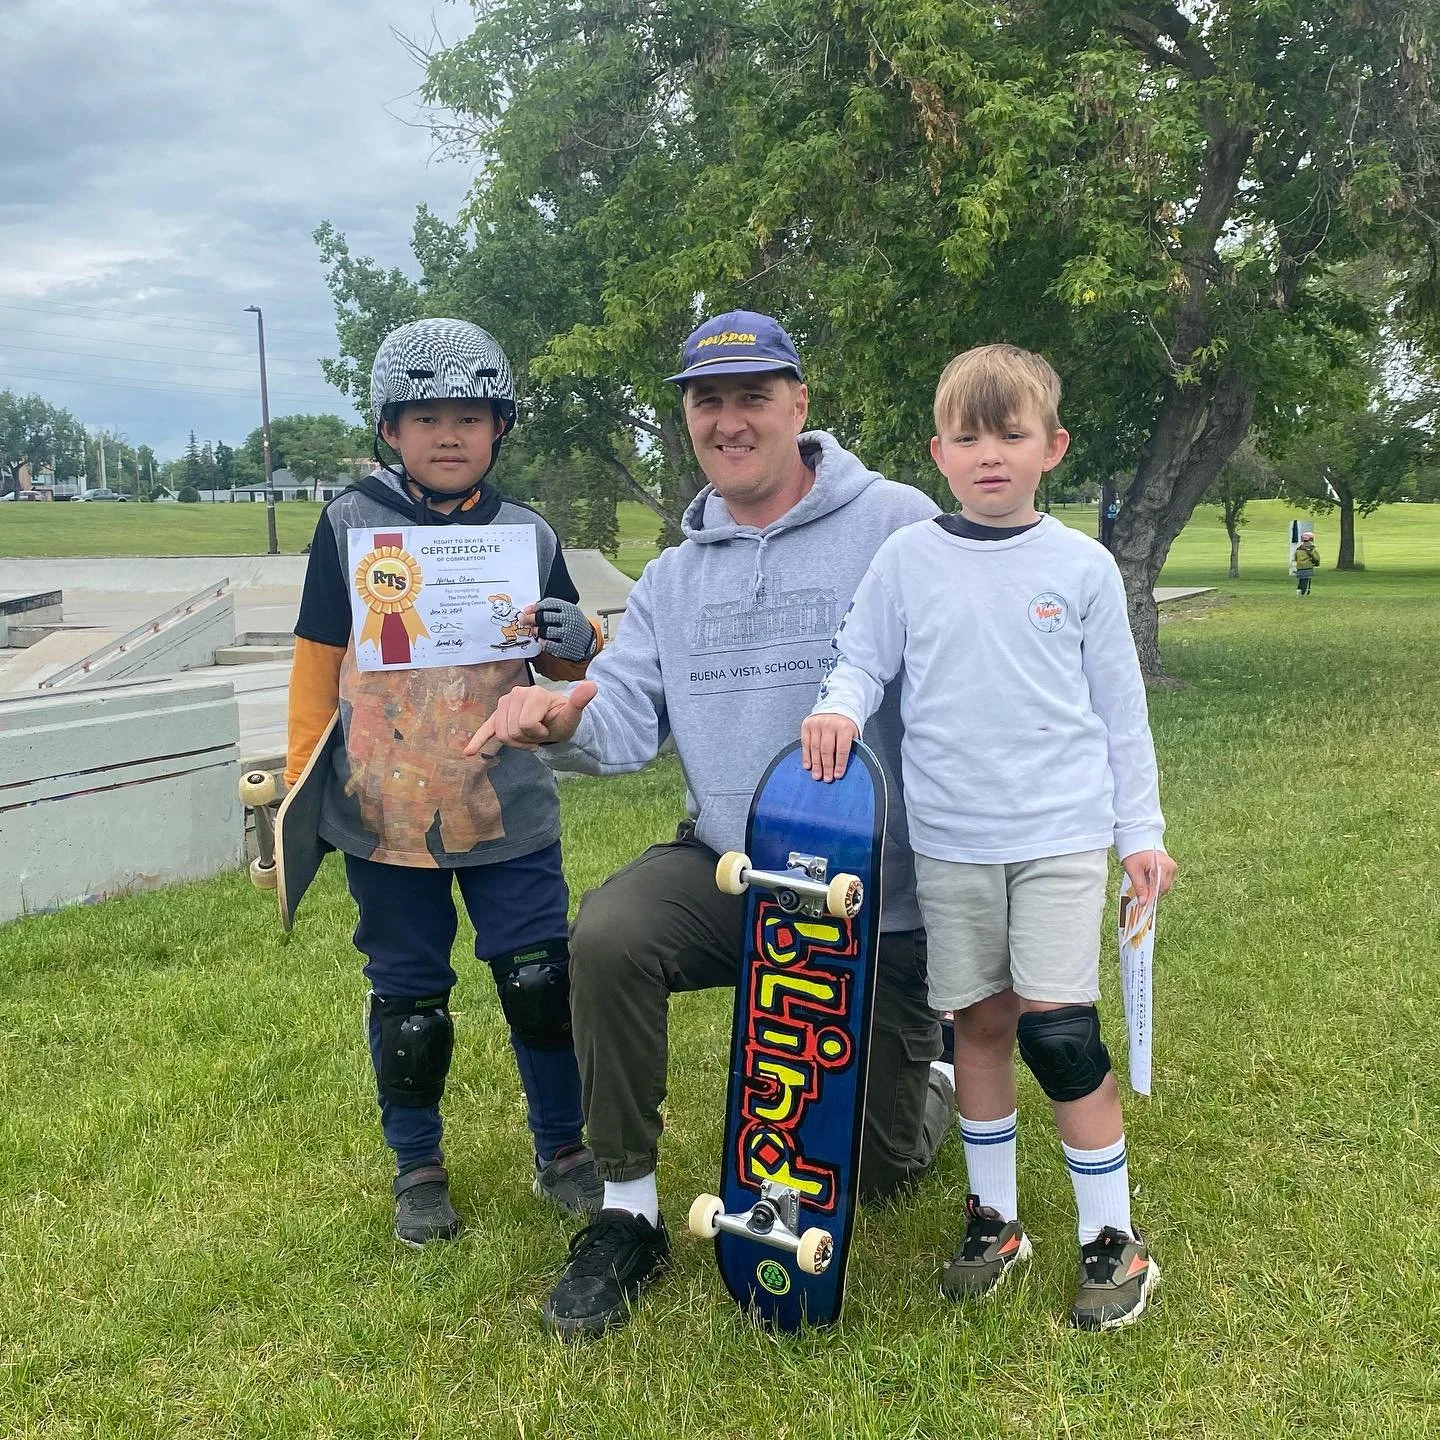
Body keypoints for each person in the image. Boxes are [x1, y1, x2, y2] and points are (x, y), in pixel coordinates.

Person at [465, 310, 955, 1339]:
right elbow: (623, 716)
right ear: (687, 416)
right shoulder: (674, 582)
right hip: (731, 867)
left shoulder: (898, 523)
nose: (729, 421)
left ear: (799, 405)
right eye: (707, 401)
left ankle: (934, 1078)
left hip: (876, 899)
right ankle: (628, 1213)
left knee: (878, 1174)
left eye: (752, 397)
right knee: (609, 931)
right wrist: (558, 716)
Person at [801, 343, 1177, 1331]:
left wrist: (1141, 833)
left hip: (1057, 832)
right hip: (952, 841)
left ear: (1051, 446)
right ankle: (995, 1219)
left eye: (1011, 434)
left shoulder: (1082, 567)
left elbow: (1120, 712)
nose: (990, 455)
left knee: (1058, 1031)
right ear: (940, 451)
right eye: (969, 437)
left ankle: (1113, 1239)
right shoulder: (907, 559)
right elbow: (860, 662)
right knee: (977, 1025)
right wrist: (837, 709)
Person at [285, 318, 605, 1246]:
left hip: (506, 807)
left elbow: (558, 672)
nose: (449, 434)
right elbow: (317, 662)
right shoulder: (349, 523)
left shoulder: (528, 532)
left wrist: (578, 640)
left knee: (541, 981)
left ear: (500, 426)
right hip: (381, 812)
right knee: (411, 1000)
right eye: (426, 417)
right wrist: (298, 787)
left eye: (470, 415)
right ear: (390, 428)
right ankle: (417, 1167)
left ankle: (565, 1150)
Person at [1293, 530, 1320, 596]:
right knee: (1306, 580)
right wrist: (1316, 563)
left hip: (1299, 566)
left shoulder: (1298, 549)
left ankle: (1298, 591)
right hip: (1308, 566)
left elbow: (1295, 558)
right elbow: (1316, 557)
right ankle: (1304, 592)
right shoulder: (1312, 548)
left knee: (1301, 579)